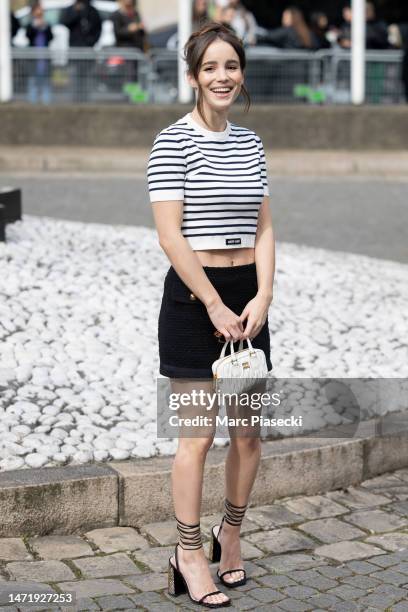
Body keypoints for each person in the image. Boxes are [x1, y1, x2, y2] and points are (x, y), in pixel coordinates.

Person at [147, 21, 275, 608]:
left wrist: (262, 297)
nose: (222, 77)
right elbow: (170, 236)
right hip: (195, 300)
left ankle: (232, 535)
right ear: (194, 76)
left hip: (248, 299)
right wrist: (215, 302)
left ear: (241, 71)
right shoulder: (172, 141)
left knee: (248, 436)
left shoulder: (251, 143)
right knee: (195, 439)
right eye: (210, 68)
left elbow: (265, 226)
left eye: (231, 66)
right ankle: (188, 553)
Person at [60, 0, 102, 102]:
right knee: (75, 76)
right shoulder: (71, 9)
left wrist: (91, 41)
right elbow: (65, 22)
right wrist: (76, 12)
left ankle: (86, 99)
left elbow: (98, 29)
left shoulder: (92, 10)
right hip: (74, 49)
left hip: (88, 49)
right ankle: (75, 99)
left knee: (87, 77)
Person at [26, 2, 53, 104]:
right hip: (33, 57)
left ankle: (47, 102)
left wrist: (44, 27)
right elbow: (28, 35)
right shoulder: (30, 25)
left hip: (44, 57)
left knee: (46, 80)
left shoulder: (46, 24)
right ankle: (32, 101)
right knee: (33, 80)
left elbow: (51, 37)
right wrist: (34, 26)